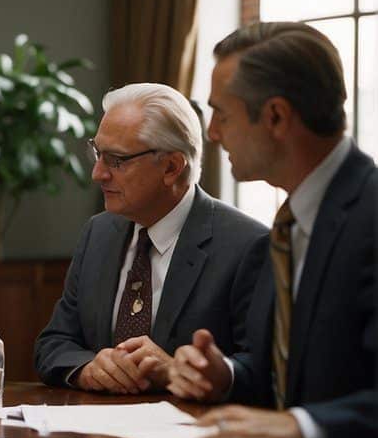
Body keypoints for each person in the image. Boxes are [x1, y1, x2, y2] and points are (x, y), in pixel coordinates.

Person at [168, 22, 376, 438]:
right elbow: (281, 376)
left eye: (221, 114)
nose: (212, 133)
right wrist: (224, 374)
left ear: (277, 117)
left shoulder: (369, 215)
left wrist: (301, 427)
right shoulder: (282, 231)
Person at [34, 83, 267, 393]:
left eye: (116, 160)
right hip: (96, 432)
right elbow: (53, 343)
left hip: (192, 433)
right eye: (97, 153)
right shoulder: (98, 233)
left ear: (171, 167)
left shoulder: (248, 245)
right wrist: (87, 368)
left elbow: (264, 375)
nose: (98, 173)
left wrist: (175, 371)